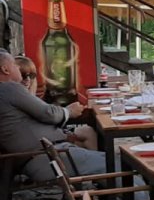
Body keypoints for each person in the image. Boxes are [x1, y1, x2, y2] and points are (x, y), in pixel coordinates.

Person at [0, 50, 105, 179]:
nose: (17, 67)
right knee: (113, 162)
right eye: (14, 65)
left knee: (105, 161)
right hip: (47, 158)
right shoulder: (8, 88)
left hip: (39, 156)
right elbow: (49, 113)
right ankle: (131, 197)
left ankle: (102, 196)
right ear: (5, 69)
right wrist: (69, 112)